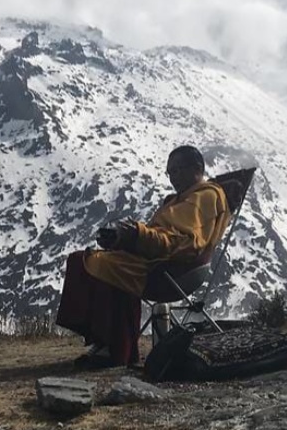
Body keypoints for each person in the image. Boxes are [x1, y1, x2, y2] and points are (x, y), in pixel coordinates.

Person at [55, 146, 231, 368]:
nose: (173, 177)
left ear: (197, 168)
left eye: (178, 170)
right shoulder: (182, 200)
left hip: (174, 269)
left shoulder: (203, 197)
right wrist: (124, 239)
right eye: (170, 172)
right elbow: (163, 236)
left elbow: (184, 243)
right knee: (89, 259)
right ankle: (109, 344)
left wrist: (138, 234)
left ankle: (113, 349)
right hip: (159, 263)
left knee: (96, 264)